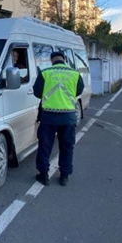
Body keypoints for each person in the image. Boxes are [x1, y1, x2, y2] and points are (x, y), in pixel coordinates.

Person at [32, 51, 84, 186]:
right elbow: (79, 91)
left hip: (48, 117)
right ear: (64, 59)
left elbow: (37, 93)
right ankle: (64, 176)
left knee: (44, 146)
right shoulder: (75, 74)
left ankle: (43, 175)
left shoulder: (45, 73)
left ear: (51, 60)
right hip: (68, 117)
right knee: (67, 147)